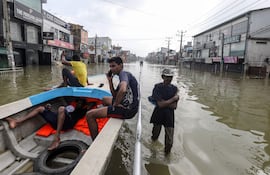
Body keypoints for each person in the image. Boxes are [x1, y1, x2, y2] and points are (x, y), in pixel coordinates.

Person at [6, 98, 92, 150]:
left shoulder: (82, 111)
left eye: (81, 103)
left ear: (84, 105)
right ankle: (17, 122)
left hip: (68, 123)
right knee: (40, 108)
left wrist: (88, 105)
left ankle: (56, 138)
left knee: (61, 109)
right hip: (58, 120)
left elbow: (91, 106)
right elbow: (59, 114)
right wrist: (49, 109)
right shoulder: (71, 106)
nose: (79, 104)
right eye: (78, 102)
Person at [86, 56, 139, 141]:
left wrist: (115, 105)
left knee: (89, 115)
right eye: (110, 66)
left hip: (127, 110)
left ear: (121, 65)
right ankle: (107, 112)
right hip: (128, 104)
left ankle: (95, 141)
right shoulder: (124, 75)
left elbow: (123, 89)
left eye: (113, 66)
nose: (111, 69)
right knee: (104, 99)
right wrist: (110, 81)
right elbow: (115, 95)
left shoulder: (123, 74)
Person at [149, 68, 179, 155]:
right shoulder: (157, 87)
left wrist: (163, 103)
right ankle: (153, 152)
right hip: (158, 114)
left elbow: (174, 106)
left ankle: (167, 155)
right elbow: (160, 105)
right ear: (163, 77)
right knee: (155, 136)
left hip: (169, 116)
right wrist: (173, 99)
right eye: (167, 77)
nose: (169, 79)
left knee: (169, 141)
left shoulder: (174, 89)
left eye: (171, 77)